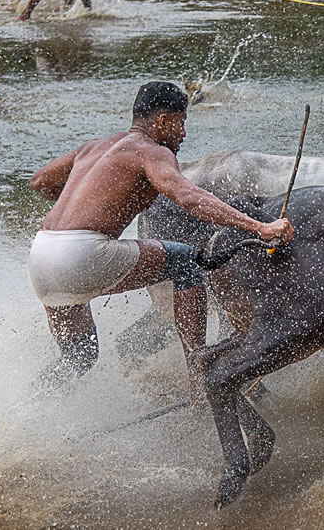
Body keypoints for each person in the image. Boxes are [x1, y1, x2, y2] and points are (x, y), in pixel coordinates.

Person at [27, 81, 294, 399]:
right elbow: (189, 197)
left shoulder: (96, 146)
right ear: (163, 121)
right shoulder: (152, 151)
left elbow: (40, 181)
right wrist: (259, 227)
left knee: (78, 357)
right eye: (181, 124)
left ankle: (19, 411)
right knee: (186, 262)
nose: (183, 134)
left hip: (41, 255)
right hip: (83, 254)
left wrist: (87, 206)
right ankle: (200, 381)